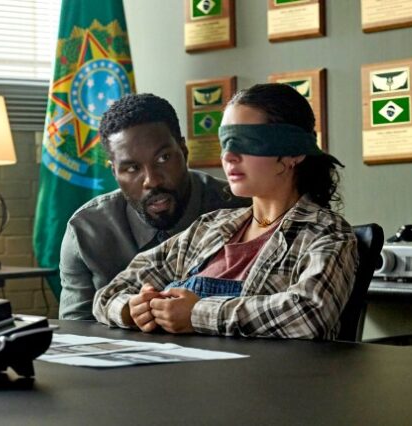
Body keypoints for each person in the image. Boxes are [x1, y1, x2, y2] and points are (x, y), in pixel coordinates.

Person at [93, 83, 358, 339]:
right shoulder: (208, 228)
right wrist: (130, 309)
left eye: (246, 141)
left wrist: (197, 314)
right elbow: (109, 295)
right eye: (226, 142)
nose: (229, 156)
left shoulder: (326, 234)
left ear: (293, 152)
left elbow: (310, 315)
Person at [59, 93, 248, 320]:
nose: (152, 181)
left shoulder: (243, 208)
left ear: (184, 150)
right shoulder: (87, 230)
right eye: (132, 168)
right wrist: (124, 315)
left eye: (163, 158)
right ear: (114, 172)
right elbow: (76, 326)